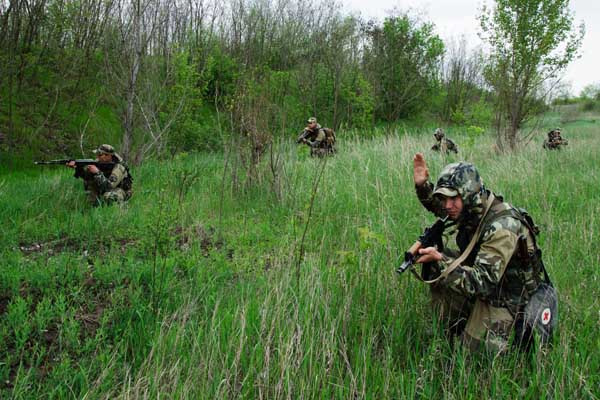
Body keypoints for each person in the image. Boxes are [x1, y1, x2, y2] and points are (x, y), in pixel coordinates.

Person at [411, 153, 550, 354]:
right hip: (489, 283)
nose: (447, 205)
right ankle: (452, 324)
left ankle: (508, 338)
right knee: (437, 267)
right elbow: (440, 207)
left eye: (453, 198)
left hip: (510, 298)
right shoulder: (470, 208)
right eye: (443, 198)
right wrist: (423, 186)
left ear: (468, 195)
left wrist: (442, 260)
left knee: (470, 355)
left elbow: (481, 283)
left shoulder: (502, 227)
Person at [67, 144, 133, 205]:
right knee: (90, 190)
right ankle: (95, 206)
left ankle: (121, 208)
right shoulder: (99, 162)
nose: (97, 157)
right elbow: (87, 178)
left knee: (109, 196)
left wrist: (97, 172)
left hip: (120, 190)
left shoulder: (119, 167)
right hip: (105, 188)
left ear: (109, 156)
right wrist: (78, 168)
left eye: (100, 155)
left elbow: (109, 186)